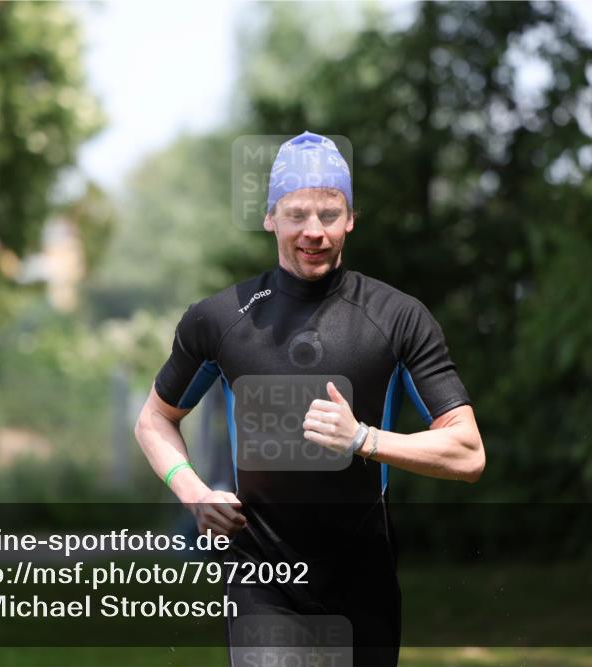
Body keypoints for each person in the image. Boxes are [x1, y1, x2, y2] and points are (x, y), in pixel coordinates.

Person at [134, 131, 485, 667]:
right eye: (297, 214)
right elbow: (154, 420)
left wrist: (363, 439)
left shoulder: (398, 318)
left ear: (351, 218)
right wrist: (193, 492)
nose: (313, 232)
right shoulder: (221, 320)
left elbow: (468, 454)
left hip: (363, 583)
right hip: (261, 580)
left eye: (329, 213)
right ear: (270, 217)